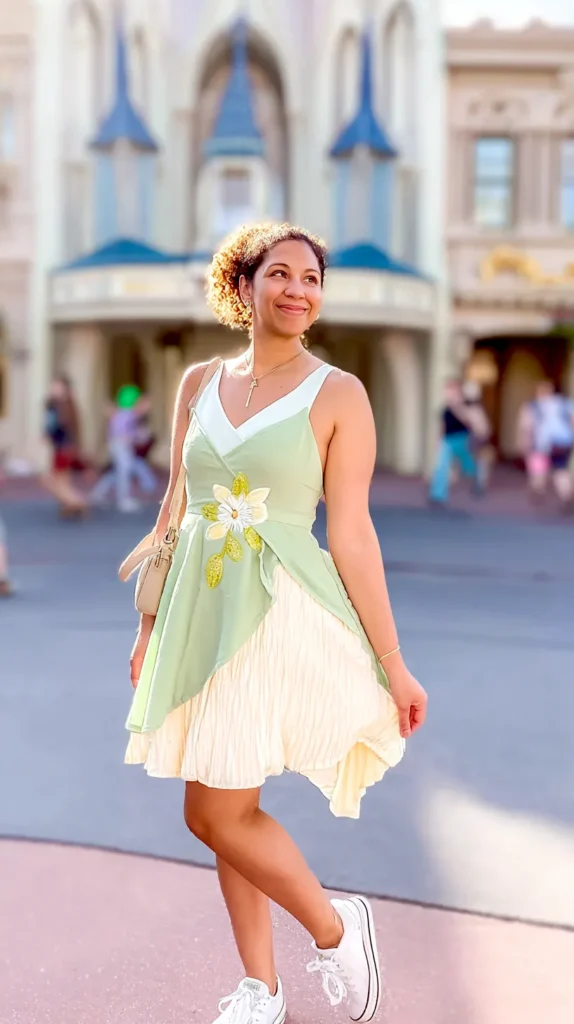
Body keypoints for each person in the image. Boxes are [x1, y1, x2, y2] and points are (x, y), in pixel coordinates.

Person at [124, 223, 427, 1024]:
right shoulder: (198, 383)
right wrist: (150, 627)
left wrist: (394, 661)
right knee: (226, 798)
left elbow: (353, 533)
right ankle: (262, 987)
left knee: (212, 811)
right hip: (198, 606)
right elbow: (173, 512)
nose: (299, 289)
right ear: (245, 284)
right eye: (281, 273)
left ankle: (335, 928)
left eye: (312, 278)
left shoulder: (339, 394)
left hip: (279, 607)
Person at [91, 387, 156, 513]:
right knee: (124, 471)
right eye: (145, 403)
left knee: (119, 471)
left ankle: (98, 493)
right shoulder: (127, 414)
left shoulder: (131, 415)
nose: (148, 406)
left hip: (121, 446)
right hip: (120, 446)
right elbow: (120, 432)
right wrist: (135, 437)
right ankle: (123, 500)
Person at [518, 380, 574, 510]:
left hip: (542, 442)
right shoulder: (565, 403)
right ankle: (566, 495)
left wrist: (524, 442)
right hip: (563, 442)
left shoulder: (533, 405)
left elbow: (526, 426)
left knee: (538, 468)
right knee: (561, 469)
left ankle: (538, 490)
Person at [429, 378, 480, 506]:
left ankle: (476, 484)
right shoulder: (445, 408)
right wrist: (438, 441)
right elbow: (441, 426)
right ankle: (438, 495)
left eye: (451, 390)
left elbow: (468, 421)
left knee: (468, 467)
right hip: (448, 440)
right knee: (442, 466)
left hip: (462, 439)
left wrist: (456, 406)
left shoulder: (465, 405)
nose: (448, 393)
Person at [43, 377, 88, 517]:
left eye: (56, 386)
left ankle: (76, 501)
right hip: (62, 446)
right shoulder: (61, 404)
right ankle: (71, 503)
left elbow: (62, 426)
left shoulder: (63, 406)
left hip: (64, 447)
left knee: (53, 480)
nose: (53, 389)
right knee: (62, 480)